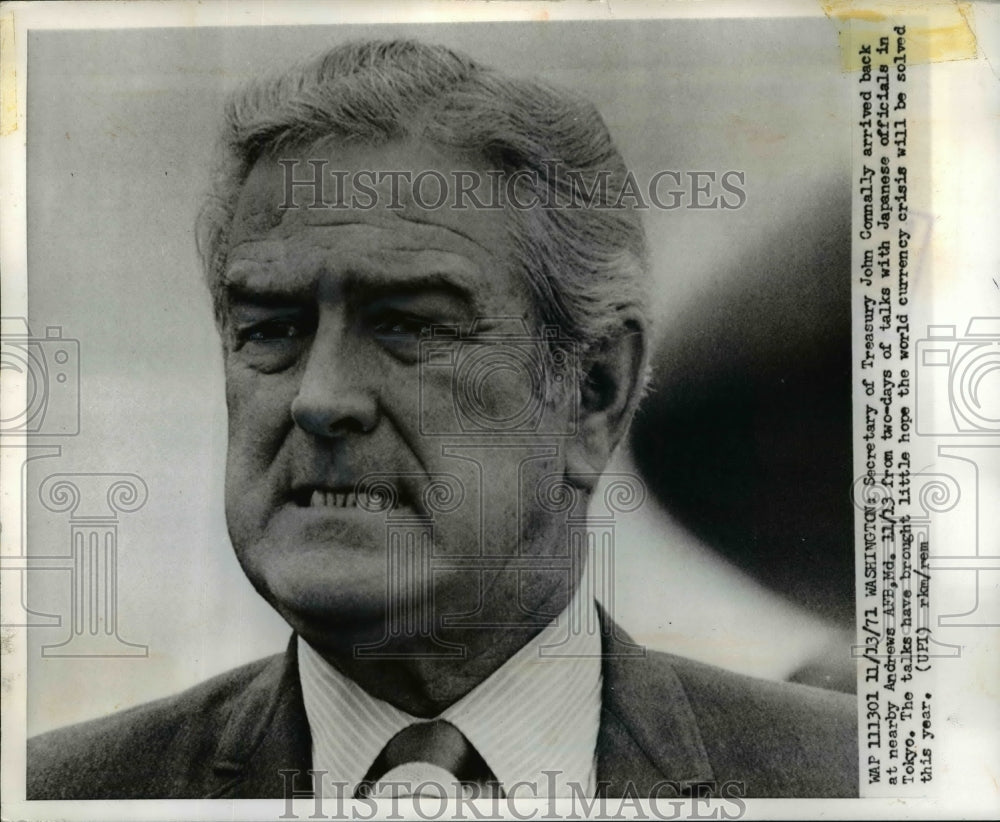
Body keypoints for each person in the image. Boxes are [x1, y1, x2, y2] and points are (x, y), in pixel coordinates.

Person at [28, 38, 856, 800]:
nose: (321, 399)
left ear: (594, 392)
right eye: (270, 330)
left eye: (412, 326)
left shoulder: (843, 781)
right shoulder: (68, 794)